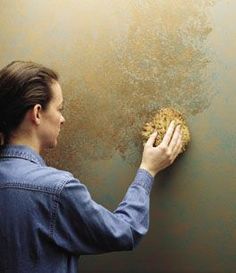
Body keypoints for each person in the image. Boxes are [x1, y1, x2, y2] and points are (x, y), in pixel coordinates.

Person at [0, 61, 182, 273]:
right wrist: (147, 170)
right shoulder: (56, 190)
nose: (63, 119)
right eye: (59, 109)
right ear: (37, 113)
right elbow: (125, 232)